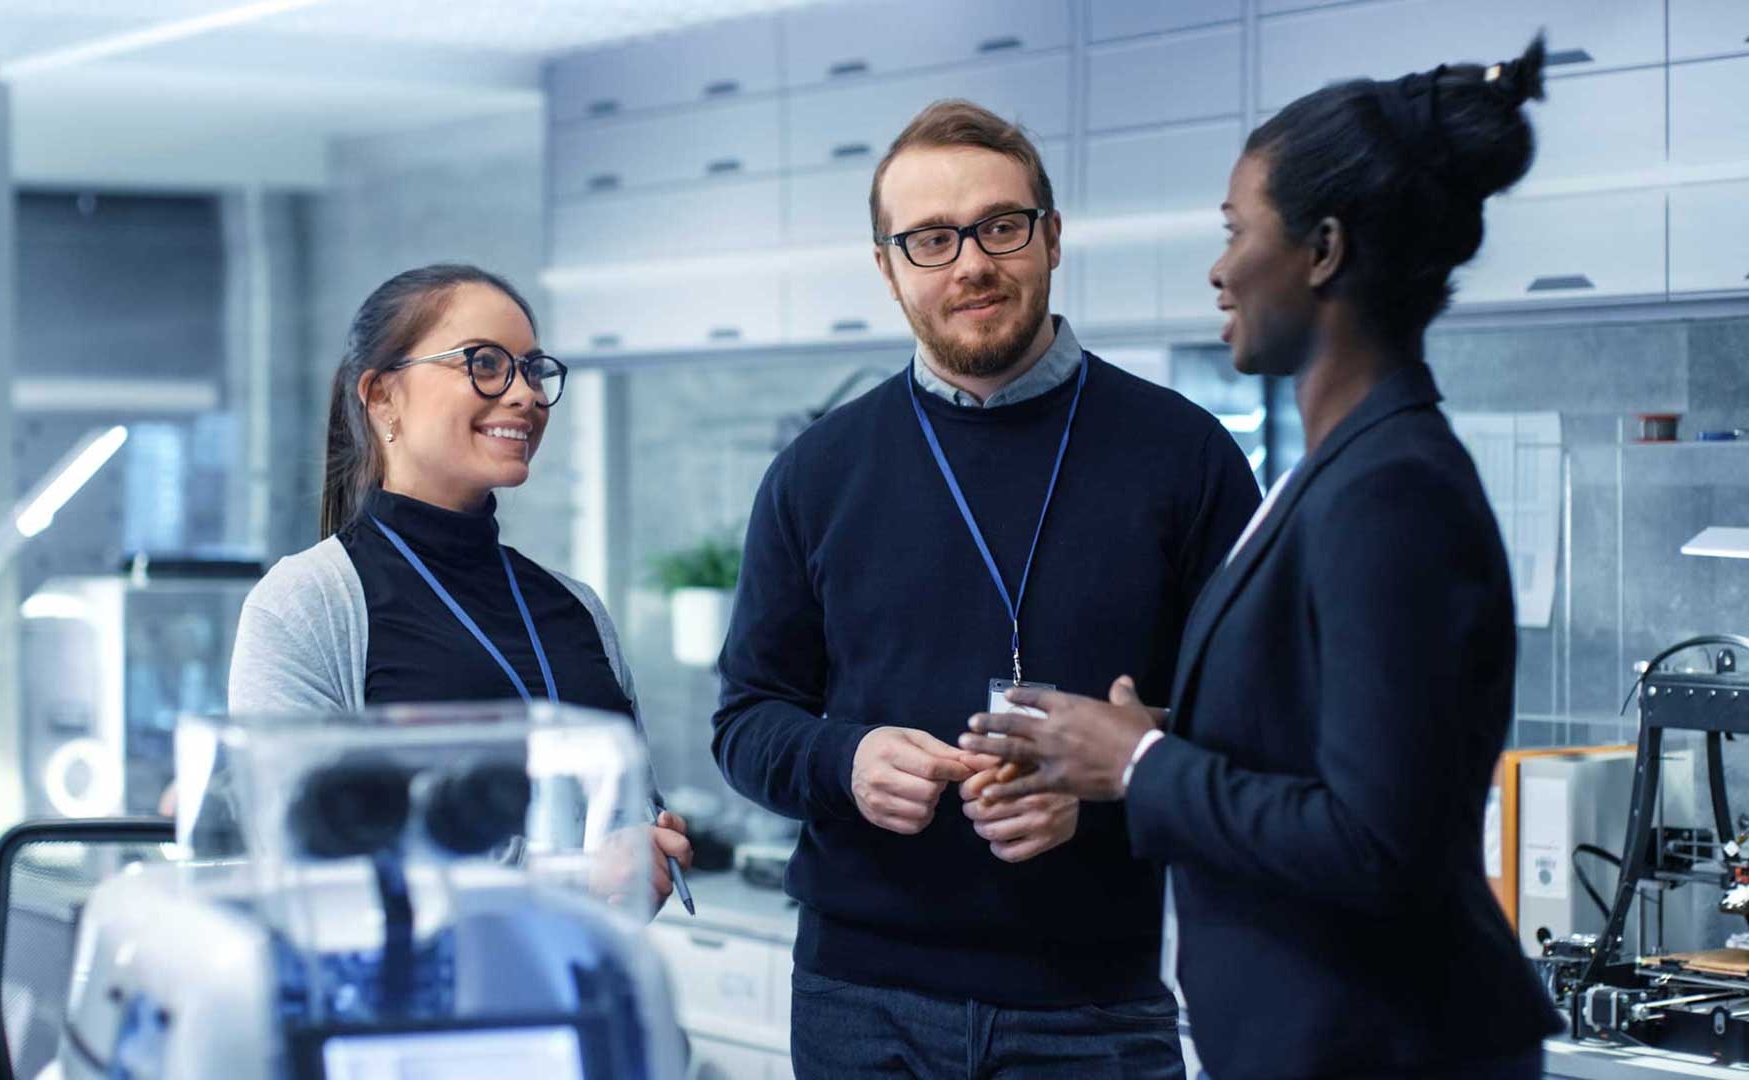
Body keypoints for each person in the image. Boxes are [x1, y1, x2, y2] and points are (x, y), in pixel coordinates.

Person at [962, 39, 1565, 1080]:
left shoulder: (1393, 490)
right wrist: (1159, 735)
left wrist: (1140, 765)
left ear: (1323, 250)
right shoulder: (1337, 471)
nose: (1218, 266)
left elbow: (1379, 843)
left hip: (1388, 1049)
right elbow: (1324, 755)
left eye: (1239, 231)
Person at [714, 100, 1260, 1077]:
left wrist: (1111, 786)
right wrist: (846, 759)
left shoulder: (1188, 458)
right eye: (929, 239)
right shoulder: (815, 474)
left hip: (1094, 1009)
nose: (969, 263)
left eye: (1000, 227)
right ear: (887, 268)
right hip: (857, 1003)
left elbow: (1263, 735)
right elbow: (747, 720)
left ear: (1052, 238)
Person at [226, 263, 691, 909]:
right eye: (485, 364)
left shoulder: (576, 608)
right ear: (382, 395)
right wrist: (570, 878)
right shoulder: (308, 603)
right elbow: (302, 858)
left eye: (532, 369)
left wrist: (645, 854)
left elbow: (629, 823)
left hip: (578, 993)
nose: (525, 394)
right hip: (410, 1005)